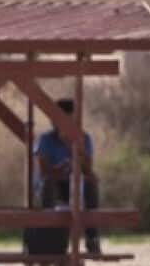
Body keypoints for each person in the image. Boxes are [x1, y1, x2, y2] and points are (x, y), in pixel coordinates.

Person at [33, 98, 101, 255]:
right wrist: (59, 170)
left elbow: (88, 170)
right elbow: (43, 171)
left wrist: (74, 147)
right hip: (51, 186)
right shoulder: (46, 139)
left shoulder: (84, 139)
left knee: (91, 183)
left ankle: (92, 238)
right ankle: (47, 231)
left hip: (73, 185)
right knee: (49, 183)